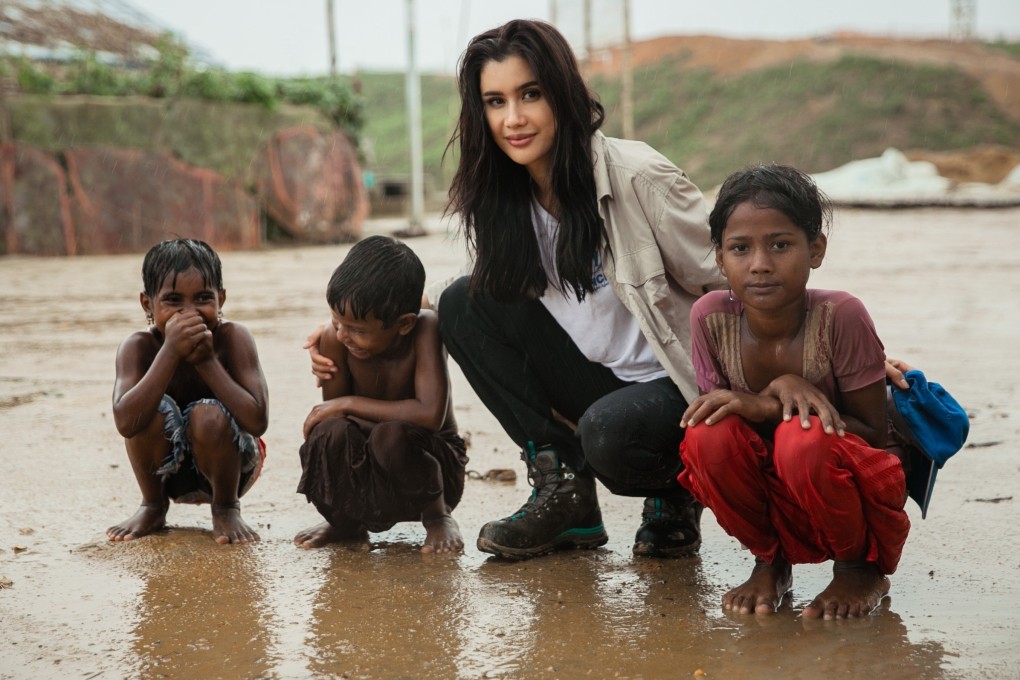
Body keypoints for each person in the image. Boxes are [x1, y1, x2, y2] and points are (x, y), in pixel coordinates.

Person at [430, 18, 727, 560]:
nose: (513, 119)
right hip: (601, 381)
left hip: (678, 390)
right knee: (460, 303)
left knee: (608, 433)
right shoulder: (504, 200)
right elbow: (499, 308)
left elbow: (734, 282)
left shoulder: (637, 176)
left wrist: (818, 348)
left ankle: (676, 494)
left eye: (530, 95)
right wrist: (358, 328)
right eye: (495, 102)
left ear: (562, 95)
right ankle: (565, 492)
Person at [676, 163, 911, 619]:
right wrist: (771, 399)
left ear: (815, 249)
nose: (760, 264)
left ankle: (857, 570)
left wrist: (780, 401)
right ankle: (769, 562)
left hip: (845, 480)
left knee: (800, 439)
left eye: (780, 245)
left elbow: (873, 437)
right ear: (720, 259)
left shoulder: (841, 315)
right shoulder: (710, 318)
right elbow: (723, 421)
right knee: (706, 434)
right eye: (740, 248)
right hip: (772, 483)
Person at [294, 235, 468, 554]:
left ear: (403, 324)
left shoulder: (424, 330)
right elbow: (338, 422)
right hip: (373, 465)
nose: (344, 335)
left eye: (358, 330)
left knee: (389, 437)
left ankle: (438, 518)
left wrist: (347, 402)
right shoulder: (335, 340)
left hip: (434, 470)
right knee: (327, 434)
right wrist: (340, 409)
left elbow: (429, 415)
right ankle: (345, 523)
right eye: (336, 320)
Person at [108, 239, 268, 544]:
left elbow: (258, 421)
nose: (189, 312)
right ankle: (152, 505)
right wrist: (169, 352)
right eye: (173, 300)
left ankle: (226, 508)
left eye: (203, 298)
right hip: (166, 472)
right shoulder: (138, 347)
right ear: (148, 305)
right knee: (145, 408)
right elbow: (125, 422)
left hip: (231, 466)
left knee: (207, 413)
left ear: (221, 300)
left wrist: (207, 361)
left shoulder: (234, 338)